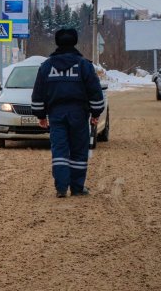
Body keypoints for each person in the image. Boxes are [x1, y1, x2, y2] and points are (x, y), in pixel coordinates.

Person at [31, 28, 105, 198]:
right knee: (79, 150)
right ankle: (77, 187)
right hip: (79, 114)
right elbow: (95, 91)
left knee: (60, 151)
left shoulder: (47, 66)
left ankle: (61, 188)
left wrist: (41, 115)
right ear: (75, 42)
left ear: (57, 42)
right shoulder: (84, 65)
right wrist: (96, 113)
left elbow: (38, 93)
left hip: (56, 115)